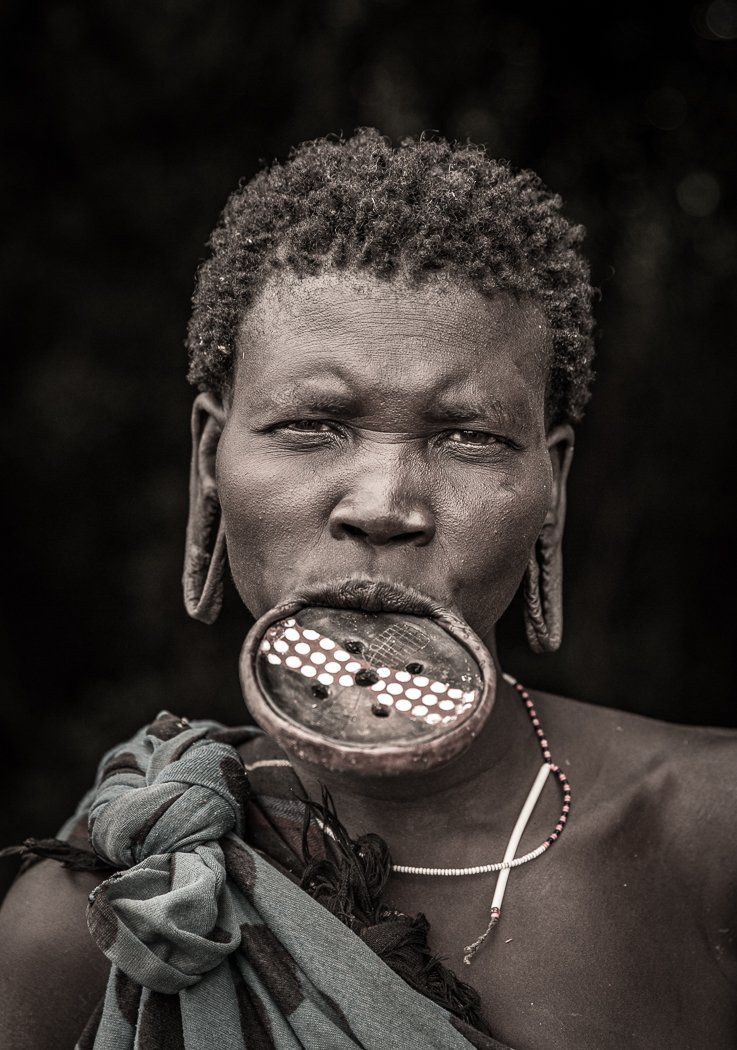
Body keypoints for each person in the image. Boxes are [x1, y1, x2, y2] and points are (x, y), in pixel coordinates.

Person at [1, 129, 735, 1050]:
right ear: (209, 464)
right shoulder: (118, 917)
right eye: (312, 425)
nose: (386, 506)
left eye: (466, 436)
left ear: (550, 491)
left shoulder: (713, 839)